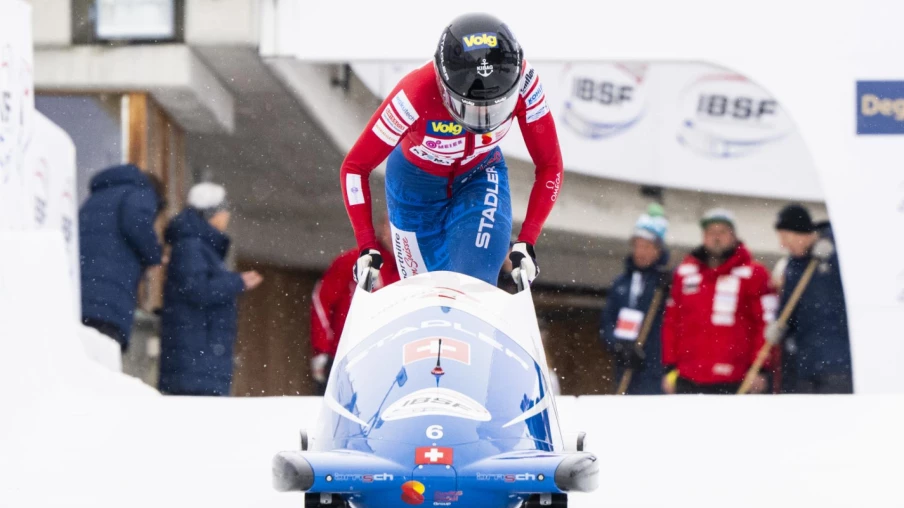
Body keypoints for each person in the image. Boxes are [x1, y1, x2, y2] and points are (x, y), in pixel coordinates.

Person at [339, 13, 563, 289]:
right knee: (424, 296)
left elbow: (550, 165)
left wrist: (527, 239)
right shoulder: (413, 95)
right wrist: (366, 243)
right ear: (443, 89)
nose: (484, 118)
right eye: (470, 107)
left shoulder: (526, 83)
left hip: (480, 176)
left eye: (496, 106)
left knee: (474, 283)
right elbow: (355, 167)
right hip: (413, 194)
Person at [158, 183, 263, 396]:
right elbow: (196, 289)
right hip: (195, 361)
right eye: (224, 210)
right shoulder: (191, 246)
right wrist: (236, 282)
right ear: (211, 213)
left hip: (198, 360)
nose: (227, 216)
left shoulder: (199, 245)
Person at [661, 208, 775, 395]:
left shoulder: (754, 274)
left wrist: (760, 368)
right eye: (710, 232)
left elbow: (766, 324)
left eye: (722, 232)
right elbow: (671, 323)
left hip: (736, 378)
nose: (716, 238)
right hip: (688, 377)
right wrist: (670, 367)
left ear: (733, 236)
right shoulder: (684, 273)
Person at [78, 164, 165, 351]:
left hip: (80, 296)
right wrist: (155, 254)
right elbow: (136, 224)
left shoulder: (98, 196)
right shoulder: (141, 192)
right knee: (102, 357)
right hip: (107, 300)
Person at [310, 216, 401, 394]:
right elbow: (321, 301)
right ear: (381, 229)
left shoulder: (414, 268)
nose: (394, 234)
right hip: (346, 358)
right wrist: (322, 350)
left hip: (392, 360)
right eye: (390, 227)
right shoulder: (356, 260)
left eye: (399, 228)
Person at [770, 204, 853, 394]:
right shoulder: (794, 265)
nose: (782, 244)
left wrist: (834, 254)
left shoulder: (838, 249)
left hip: (839, 362)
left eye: (785, 237)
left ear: (801, 232)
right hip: (805, 363)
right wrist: (779, 325)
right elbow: (789, 307)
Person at [600, 204, 670, 395]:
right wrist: (618, 346)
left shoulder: (665, 284)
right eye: (637, 246)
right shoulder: (621, 283)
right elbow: (607, 321)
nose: (640, 252)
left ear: (658, 249)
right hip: (626, 368)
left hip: (655, 371)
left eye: (646, 246)